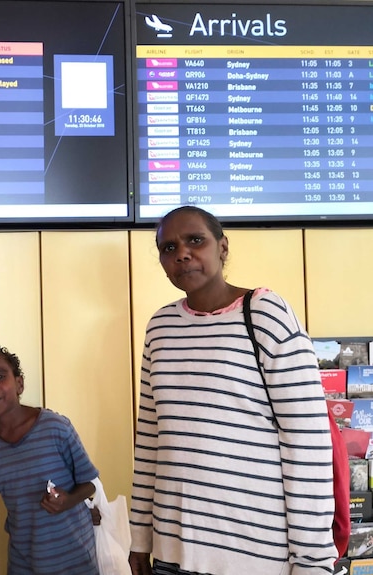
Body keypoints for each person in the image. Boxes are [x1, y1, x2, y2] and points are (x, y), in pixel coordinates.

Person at [129, 205, 337, 575]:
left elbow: (307, 444)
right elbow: (149, 441)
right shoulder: (159, 327)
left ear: (222, 247)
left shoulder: (265, 313)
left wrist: (312, 561)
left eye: (195, 240)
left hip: (256, 556)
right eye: (168, 248)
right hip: (171, 554)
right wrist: (140, 538)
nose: (182, 254)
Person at [0, 343, 99, 575]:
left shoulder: (56, 427)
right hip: (24, 558)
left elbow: (90, 483)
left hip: (73, 553)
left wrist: (68, 500)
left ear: (19, 384)